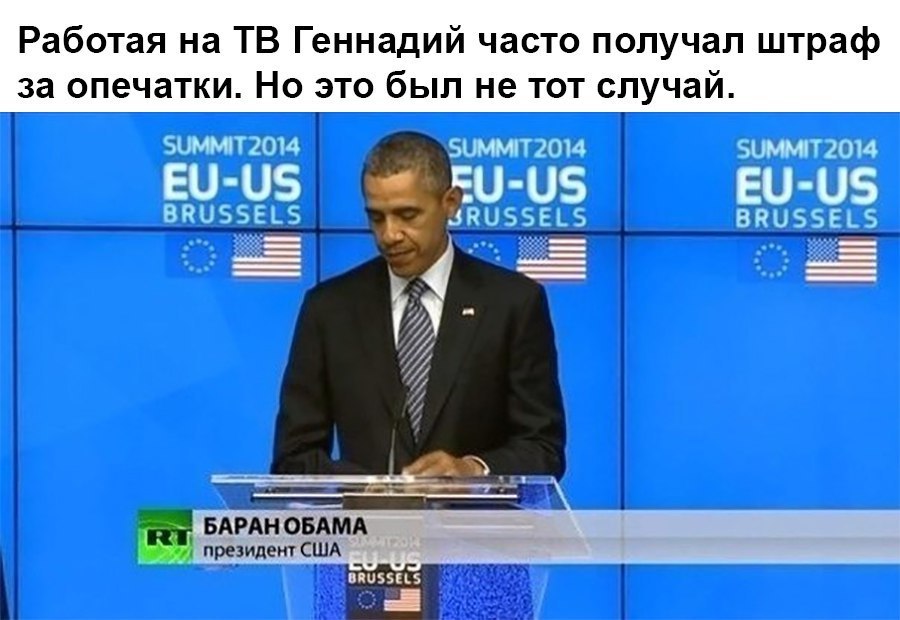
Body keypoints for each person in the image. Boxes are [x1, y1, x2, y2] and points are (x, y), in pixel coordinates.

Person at [270, 130, 566, 478]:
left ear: (451, 202)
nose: (389, 235)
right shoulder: (329, 309)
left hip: (474, 514)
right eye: (376, 217)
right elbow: (293, 458)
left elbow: (543, 449)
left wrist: (472, 470)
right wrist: (368, 488)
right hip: (365, 515)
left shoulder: (512, 303)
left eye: (407, 215)